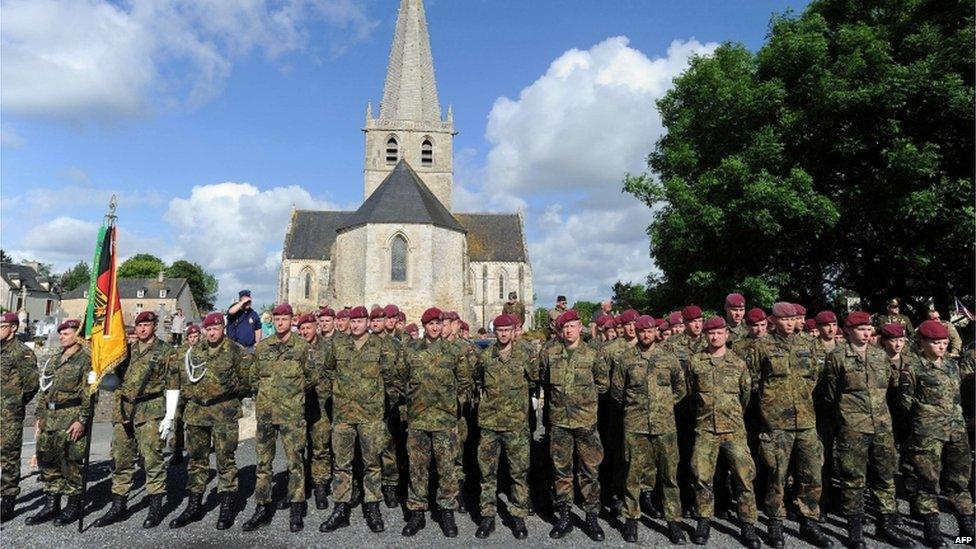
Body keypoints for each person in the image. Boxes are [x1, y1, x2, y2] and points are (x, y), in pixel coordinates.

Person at [822, 311, 914, 549]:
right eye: (861, 329)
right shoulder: (837, 357)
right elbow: (830, 394)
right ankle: (855, 530)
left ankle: (886, 525)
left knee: (885, 476)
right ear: (849, 330)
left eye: (869, 329)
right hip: (853, 427)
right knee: (853, 479)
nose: (866, 333)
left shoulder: (879, 356)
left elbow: (891, 389)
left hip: (882, 426)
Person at [749, 302, 832, 547]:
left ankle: (810, 523)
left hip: (806, 420)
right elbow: (752, 381)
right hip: (776, 423)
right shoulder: (762, 346)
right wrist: (769, 405)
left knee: (812, 473)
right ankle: (775, 524)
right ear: (773, 321)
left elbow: (815, 378)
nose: (788, 323)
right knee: (777, 475)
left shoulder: (809, 344)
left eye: (793, 318)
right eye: (783, 319)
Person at [319, 306, 402, 534]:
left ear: (367, 321)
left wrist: (384, 406)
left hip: (370, 416)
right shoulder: (338, 345)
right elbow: (327, 373)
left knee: (372, 464)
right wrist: (334, 398)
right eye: (352, 321)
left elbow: (390, 379)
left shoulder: (380, 346)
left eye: (359, 321)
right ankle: (341, 509)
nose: (355, 325)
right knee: (342, 464)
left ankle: (372, 507)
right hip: (344, 416)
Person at [95, 310, 179, 529]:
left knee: (152, 459)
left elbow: (172, 385)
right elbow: (113, 379)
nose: (142, 329)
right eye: (139, 325)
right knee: (121, 459)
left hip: (150, 410)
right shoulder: (126, 351)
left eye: (147, 325)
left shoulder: (166, 351)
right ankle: (118, 506)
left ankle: (155, 506)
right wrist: (97, 376)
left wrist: (169, 417)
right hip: (124, 411)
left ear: (155, 326)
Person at [685, 317, 761, 549]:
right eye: (710, 333)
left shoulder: (738, 363)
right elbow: (691, 396)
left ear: (726, 334)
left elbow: (745, 396)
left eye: (719, 333)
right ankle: (704, 520)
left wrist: (731, 414)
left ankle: (747, 525)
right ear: (705, 336)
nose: (714, 337)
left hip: (733, 429)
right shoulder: (695, 362)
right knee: (702, 477)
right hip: (706, 428)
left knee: (744, 478)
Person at [610, 315, 687, 544]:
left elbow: (680, 389)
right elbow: (617, 393)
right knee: (632, 475)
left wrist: (663, 405)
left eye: (650, 331)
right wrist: (637, 408)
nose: (646, 335)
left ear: (655, 332)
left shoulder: (669, 358)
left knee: (669, 476)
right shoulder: (625, 359)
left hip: (665, 426)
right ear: (637, 332)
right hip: (635, 425)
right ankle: (631, 520)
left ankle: (674, 523)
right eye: (642, 331)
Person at [169, 312, 249, 531]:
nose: (212, 332)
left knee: (225, 460)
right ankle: (193, 506)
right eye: (209, 329)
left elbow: (245, 382)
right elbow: (187, 379)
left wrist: (224, 396)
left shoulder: (234, 351)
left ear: (223, 328)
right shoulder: (195, 351)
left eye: (216, 328)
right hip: (197, 413)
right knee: (196, 461)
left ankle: (226, 507)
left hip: (224, 412)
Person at [899, 320, 974, 547]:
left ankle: (966, 533)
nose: (942, 347)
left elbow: (958, 398)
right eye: (936, 343)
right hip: (927, 433)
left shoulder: (952, 366)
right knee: (927, 481)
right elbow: (906, 402)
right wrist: (924, 419)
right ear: (922, 343)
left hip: (956, 431)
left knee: (959, 481)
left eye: (944, 342)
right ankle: (932, 531)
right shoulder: (913, 367)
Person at [401, 308, 472, 538]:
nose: (434, 327)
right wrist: (408, 405)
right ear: (424, 326)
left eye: (438, 323)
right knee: (417, 468)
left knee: (447, 468)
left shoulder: (453, 351)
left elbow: (465, 383)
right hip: (419, 420)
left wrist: (455, 407)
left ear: (443, 326)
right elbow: (399, 378)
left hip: (444, 420)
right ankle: (417, 511)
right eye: (430, 323)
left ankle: (447, 510)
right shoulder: (410, 350)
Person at [243, 304, 313, 533]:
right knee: (263, 464)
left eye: (285, 318)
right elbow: (254, 378)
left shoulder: (302, 347)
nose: (281, 322)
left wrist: (291, 394)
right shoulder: (262, 348)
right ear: (272, 320)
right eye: (277, 318)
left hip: (292, 414)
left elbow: (311, 377)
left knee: (295, 463)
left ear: (292, 320)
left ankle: (296, 507)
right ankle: (262, 507)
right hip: (265, 414)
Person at [539, 309, 608, 541]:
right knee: (561, 471)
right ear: (560, 330)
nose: (568, 330)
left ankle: (591, 517)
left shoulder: (592, 354)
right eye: (564, 327)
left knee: (590, 470)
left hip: (586, 422)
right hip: (559, 422)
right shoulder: (551, 354)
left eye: (573, 326)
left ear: (580, 328)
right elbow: (544, 381)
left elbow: (602, 384)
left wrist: (583, 403)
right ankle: (565, 516)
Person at [472, 314, 537, 539]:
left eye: (507, 330)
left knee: (519, 472)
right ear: (494, 332)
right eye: (499, 330)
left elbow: (535, 380)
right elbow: (477, 380)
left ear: (513, 331)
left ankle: (518, 516)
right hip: (490, 423)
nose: (503, 334)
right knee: (487, 473)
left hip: (516, 424)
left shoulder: (526, 354)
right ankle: (487, 516)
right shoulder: (485, 356)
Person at [24, 319, 88, 526]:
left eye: (66, 334)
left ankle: (73, 506)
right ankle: (52, 504)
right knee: (48, 462)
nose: (61, 337)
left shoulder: (85, 361)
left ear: (77, 335)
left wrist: (82, 420)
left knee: (71, 464)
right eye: (60, 334)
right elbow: (45, 390)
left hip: (71, 416)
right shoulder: (53, 359)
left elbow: (89, 394)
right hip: (50, 418)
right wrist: (39, 416)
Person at [0, 312, 38, 522]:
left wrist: (14, 403)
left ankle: (8, 501)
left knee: (9, 457)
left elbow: (32, 384)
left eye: (2, 326)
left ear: (13, 328)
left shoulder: (21, 353)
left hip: (9, 415)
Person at [369, 306, 406, 509]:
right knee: (369, 448)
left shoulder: (396, 345)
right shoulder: (363, 344)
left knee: (389, 446)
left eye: (378, 319)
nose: (375, 323)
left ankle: (390, 485)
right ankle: (369, 487)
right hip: (368, 405)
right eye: (372, 320)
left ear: (385, 321)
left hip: (390, 404)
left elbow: (402, 374)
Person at [297, 314, 333, 511]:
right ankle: (300, 488)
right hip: (299, 406)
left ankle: (320, 487)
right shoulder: (294, 348)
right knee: (297, 448)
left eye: (308, 328)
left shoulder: (328, 348)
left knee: (320, 447)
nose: (304, 332)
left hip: (321, 405)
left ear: (316, 327)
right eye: (301, 329)